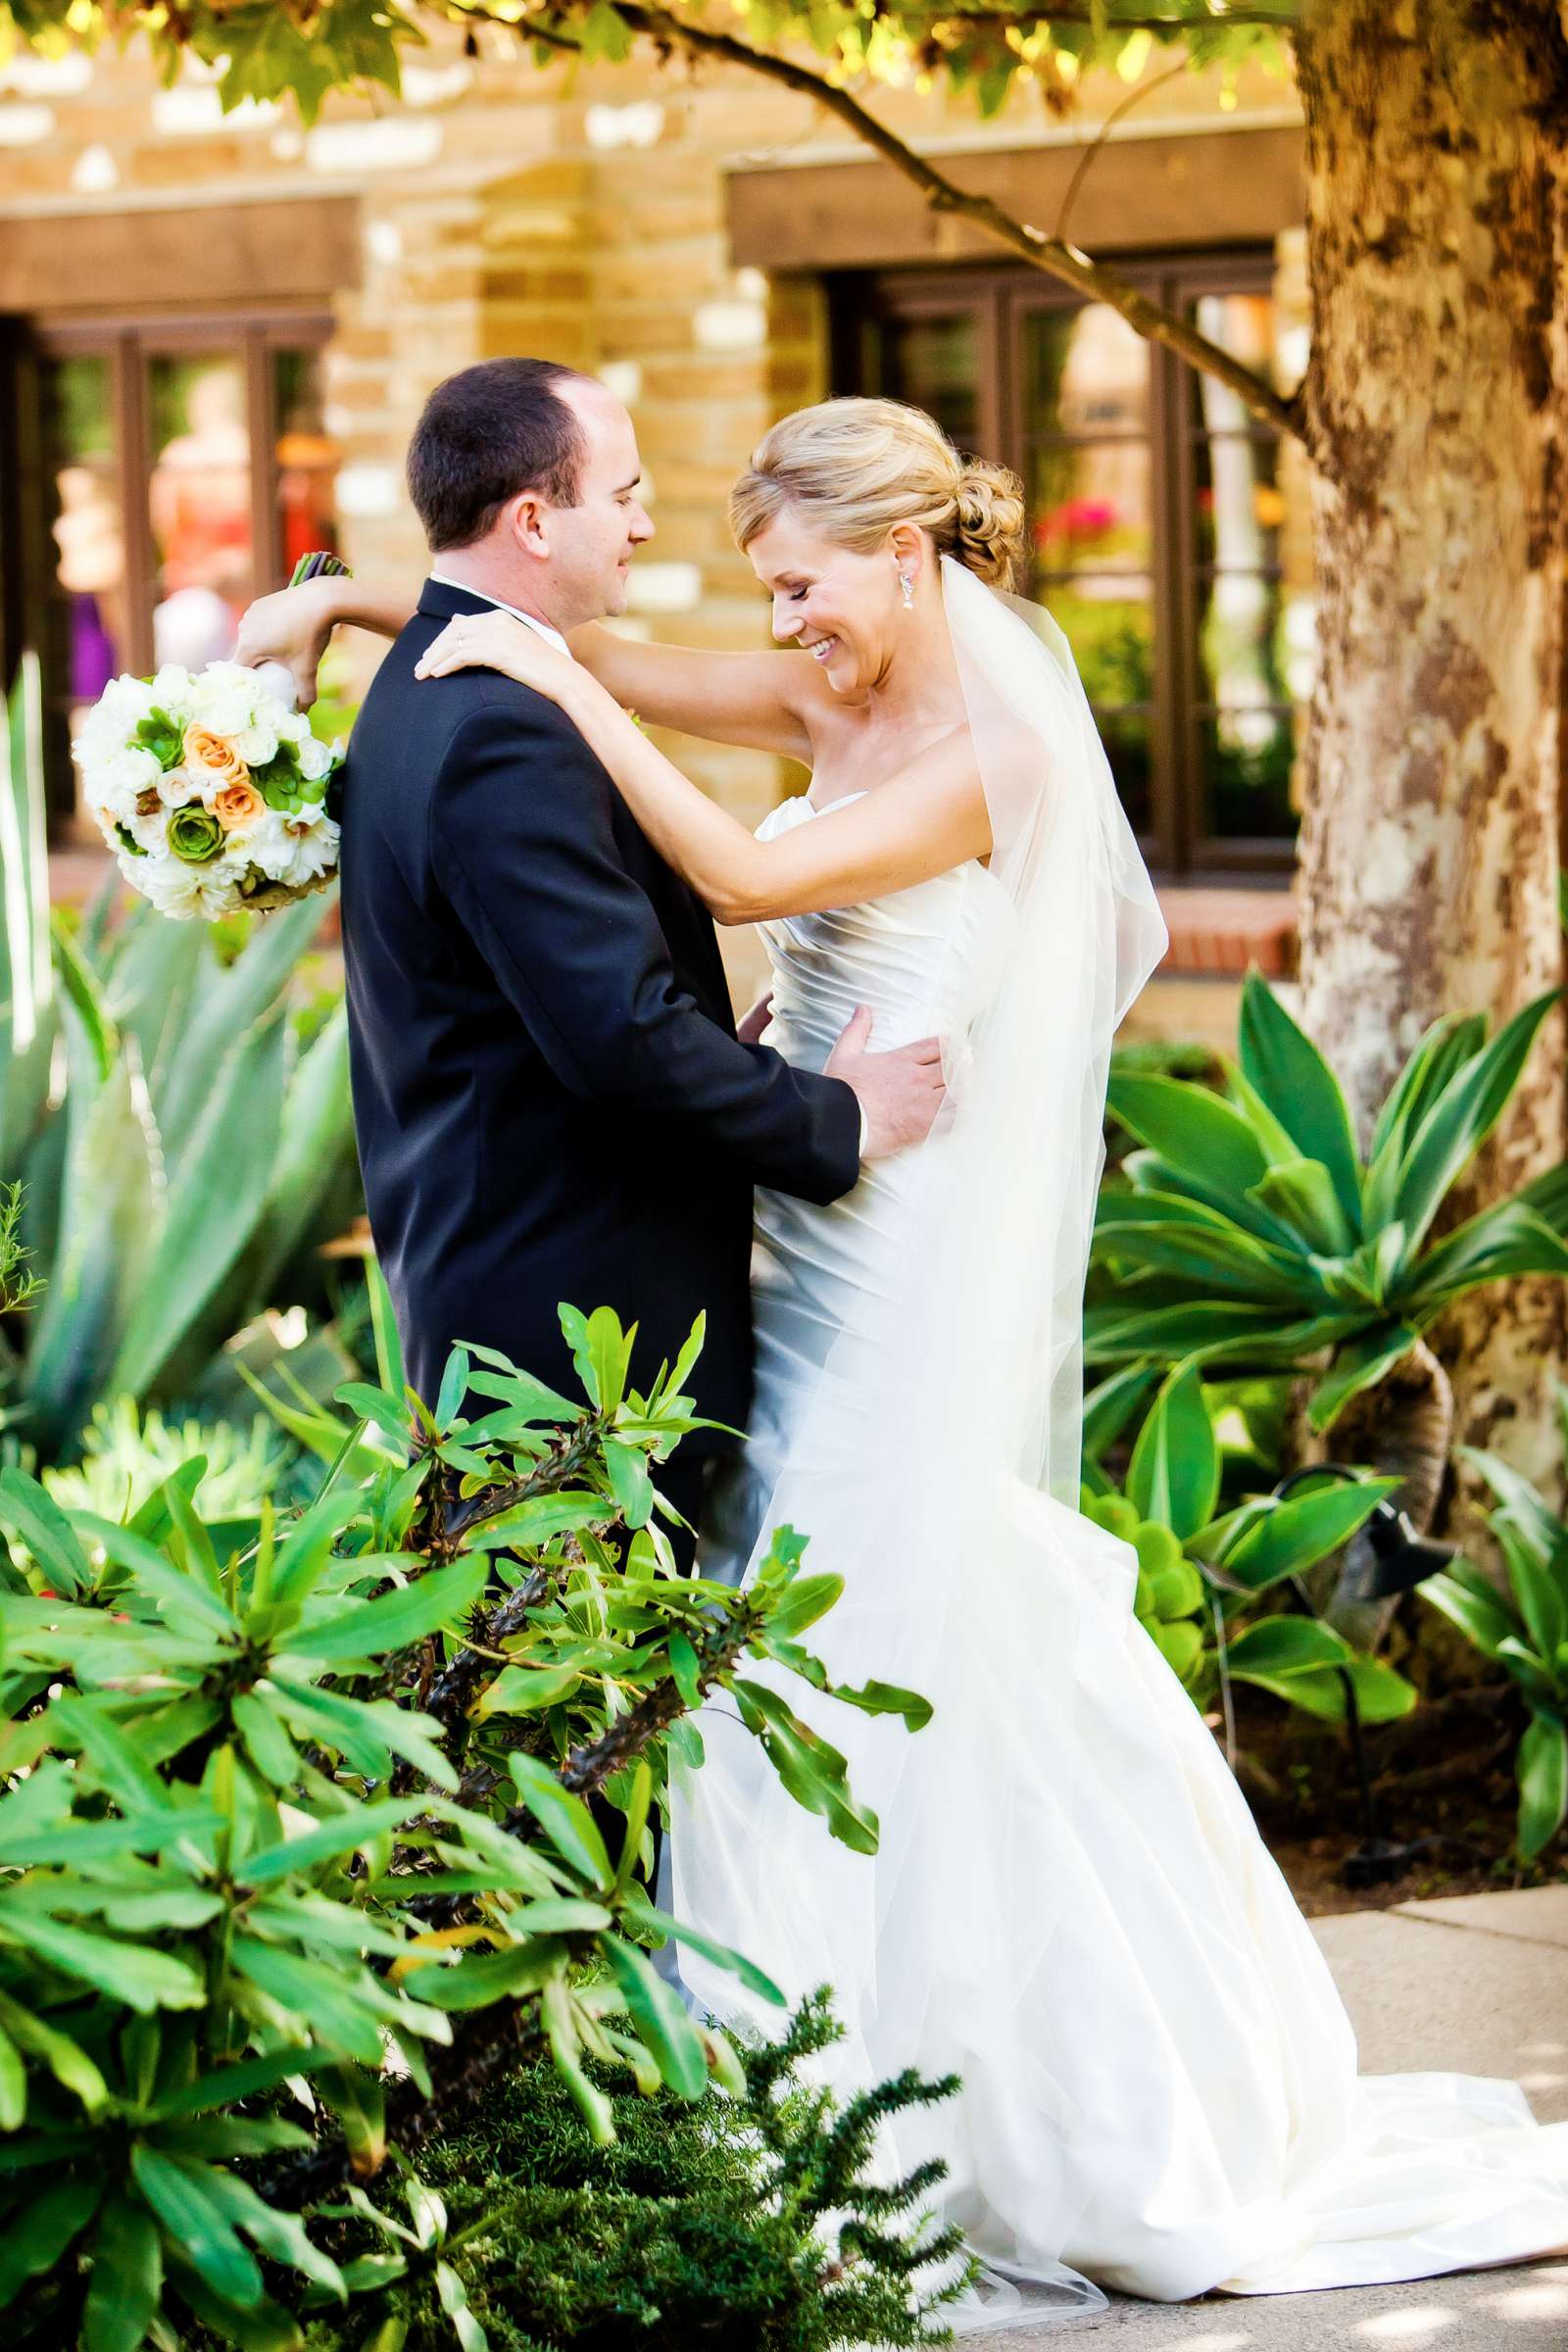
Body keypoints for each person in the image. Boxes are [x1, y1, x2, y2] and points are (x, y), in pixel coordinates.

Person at [239, 391, 1568, 2327]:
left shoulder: (996, 746)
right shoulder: (821, 697)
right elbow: (596, 639)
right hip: (802, 1204)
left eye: (798, 587)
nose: (776, 628)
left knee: (861, 1613)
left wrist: (533, 675)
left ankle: (931, 2108)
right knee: (803, 1622)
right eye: (764, 593)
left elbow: (741, 880)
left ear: (902, 552)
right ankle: (804, 2092)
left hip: (897, 1204)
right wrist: (380, 608)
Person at [243, 360, 946, 1575]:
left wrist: (338, 600)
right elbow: (622, 1035)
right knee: (603, 1700)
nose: (641, 520)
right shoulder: (503, 719)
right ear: (531, 519)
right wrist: (837, 1116)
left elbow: (553, 1003)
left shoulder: (430, 688)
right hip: (574, 1335)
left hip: (538, 1267)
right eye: (621, 494)